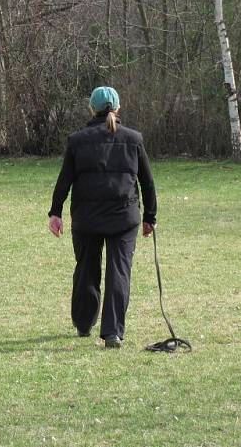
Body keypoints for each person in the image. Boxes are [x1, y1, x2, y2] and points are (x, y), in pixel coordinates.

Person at [48, 86, 157, 349]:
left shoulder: (77, 140)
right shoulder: (134, 139)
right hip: (124, 217)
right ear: (118, 108)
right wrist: (150, 216)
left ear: (91, 109)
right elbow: (147, 181)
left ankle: (84, 323)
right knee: (119, 271)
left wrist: (56, 212)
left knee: (86, 268)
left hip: (87, 218)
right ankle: (112, 333)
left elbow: (65, 180)